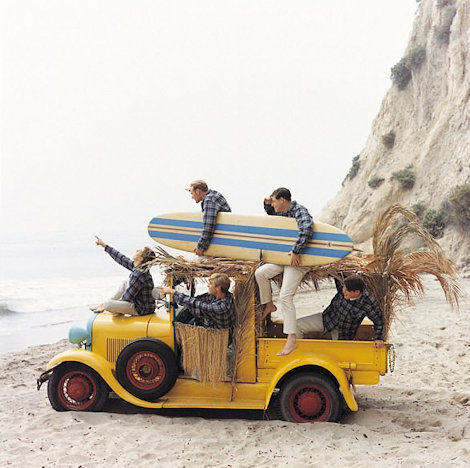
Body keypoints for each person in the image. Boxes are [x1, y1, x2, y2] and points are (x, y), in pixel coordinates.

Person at [255, 187, 313, 356]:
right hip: (287, 258)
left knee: (285, 297)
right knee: (261, 273)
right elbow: (272, 216)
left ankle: (291, 340)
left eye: (274, 201)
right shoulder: (285, 212)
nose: (273, 205)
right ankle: (269, 304)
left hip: (300, 259)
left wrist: (296, 250)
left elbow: (307, 229)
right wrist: (266, 204)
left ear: (282, 200)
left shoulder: (300, 210)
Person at [296, 275, 385, 348]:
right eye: (343, 288)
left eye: (347, 291)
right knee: (297, 325)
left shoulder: (368, 302)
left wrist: (378, 338)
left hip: (343, 333)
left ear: (357, 292)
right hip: (328, 319)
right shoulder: (343, 285)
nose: (343, 291)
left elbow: (378, 321)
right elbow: (333, 270)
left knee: (338, 355)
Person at [92, 236, 156, 316]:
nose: (136, 250)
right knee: (125, 282)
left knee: (107, 304)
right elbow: (122, 259)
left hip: (141, 309)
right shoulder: (139, 267)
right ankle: (103, 304)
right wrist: (104, 245)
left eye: (139, 251)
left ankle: (103, 305)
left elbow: (127, 298)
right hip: (144, 304)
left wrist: (112, 306)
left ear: (140, 258)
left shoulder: (139, 274)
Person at [157, 273, 235, 334]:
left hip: (217, 336)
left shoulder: (221, 307)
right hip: (212, 325)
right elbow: (197, 300)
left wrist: (172, 292)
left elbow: (198, 304)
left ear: (218, 288)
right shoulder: (224, 295)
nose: (208, 285)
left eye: (210, 283)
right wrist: (180, 298)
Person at [187, 180, 231, 256]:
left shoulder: (209, 200)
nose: (192, 197)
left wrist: (201, 247)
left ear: (198, 191)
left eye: (192, 193)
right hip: (225, 236)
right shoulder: (213, 194)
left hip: (222, 238)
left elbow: (209, 225)